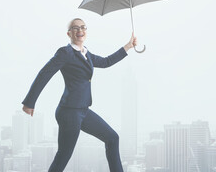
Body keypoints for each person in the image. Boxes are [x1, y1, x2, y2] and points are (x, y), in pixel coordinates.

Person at [21, 18, 136, 172]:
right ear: (69, 33)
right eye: (75, 28)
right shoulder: (65, 53)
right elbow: (44, 74)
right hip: (69, 112)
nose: (80, 30)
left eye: (83, 27)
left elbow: (106, 61)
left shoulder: (86, 54)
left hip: (82, 110)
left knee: (112, 138)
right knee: (63, 156)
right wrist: (29, 102)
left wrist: (128, 46)